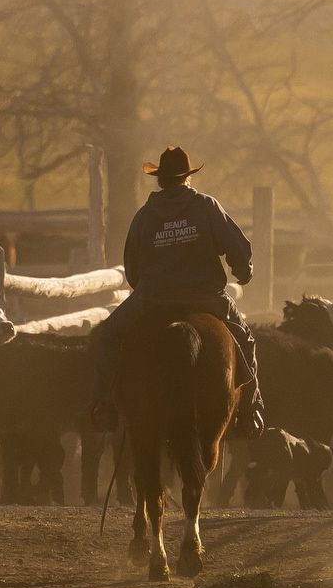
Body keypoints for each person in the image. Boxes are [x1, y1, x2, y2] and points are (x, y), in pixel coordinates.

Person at [86, 145, 268, 431]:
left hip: (153, 300)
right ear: (187, 177)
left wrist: (150, 288)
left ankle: (103, 406)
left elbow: (132, 268)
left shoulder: (144, 216)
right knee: (244, 340)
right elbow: (237, 248)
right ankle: (250, 411)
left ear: (160, 179)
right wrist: (243, 272)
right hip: (206, 300)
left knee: (109, 334)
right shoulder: (207, 206)